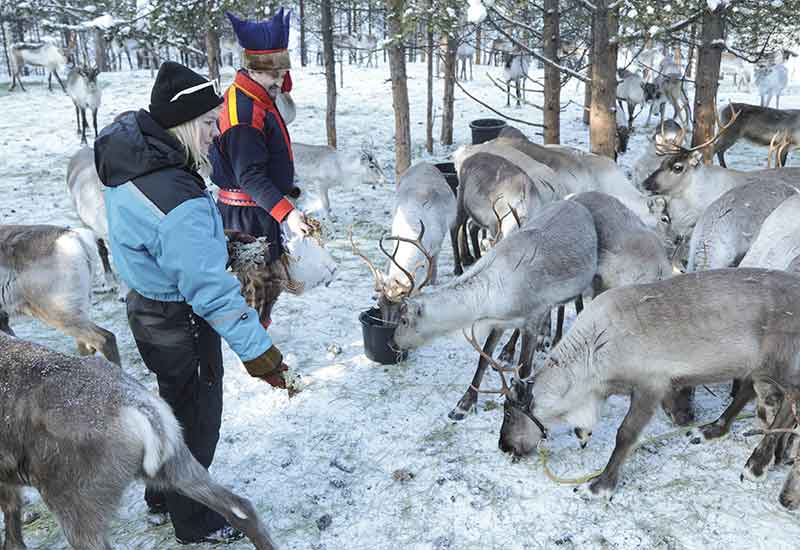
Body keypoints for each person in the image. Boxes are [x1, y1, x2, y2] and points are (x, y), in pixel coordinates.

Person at [94, 61, 289, 545]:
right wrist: (262, 355)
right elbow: (212, 293)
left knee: (173, 405)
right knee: (197, 422)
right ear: (181, 123)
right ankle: (194, 521)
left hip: (148, 306)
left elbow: (157, 237)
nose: (216, 133)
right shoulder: (177, 195)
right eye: (207, 123)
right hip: (182, 322)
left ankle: (161, 495)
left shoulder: (138, 160)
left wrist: (215, 241)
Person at [210, 8, 310, 330]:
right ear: (252, 69)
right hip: (245, 217)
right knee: (256, 288)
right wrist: (288, 213)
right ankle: (253, 346)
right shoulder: (243, 112)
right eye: (274, 75)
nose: (280, 82)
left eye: (282, 75)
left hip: (260, 210)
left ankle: (258, 333)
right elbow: (249, 175)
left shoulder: (257, 95)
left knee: (270, 285)